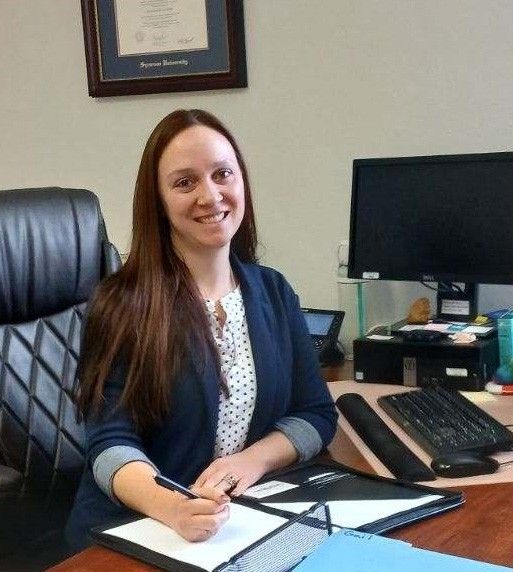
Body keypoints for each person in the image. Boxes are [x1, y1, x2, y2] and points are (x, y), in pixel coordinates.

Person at [65, 109, 338, 550]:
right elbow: (109, 443)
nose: (210, 196)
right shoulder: (120, 304)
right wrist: (171, 506)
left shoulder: (272, 291)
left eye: (222, 174)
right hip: (135, 530)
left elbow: (316, 414)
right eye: (185, 182)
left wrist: (251, 461)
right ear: (158, 201)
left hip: (237, 526)